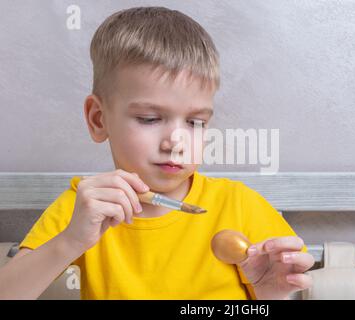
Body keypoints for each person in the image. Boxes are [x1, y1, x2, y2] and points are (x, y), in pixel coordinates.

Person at [0, 6, 314, 300]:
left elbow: (287, 285)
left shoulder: (239, 205)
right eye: (150, 119)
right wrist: (71, 240)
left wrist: (270, 297)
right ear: (98, 119)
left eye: (195, 122)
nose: (175, 141)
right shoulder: (84, 208)